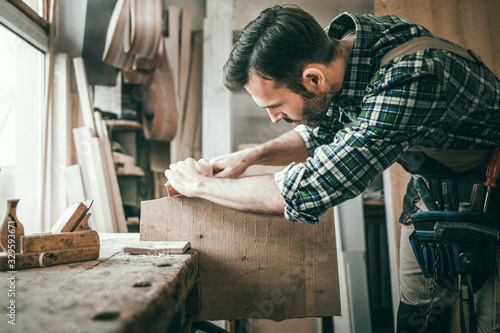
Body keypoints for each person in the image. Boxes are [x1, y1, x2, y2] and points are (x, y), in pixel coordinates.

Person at [164, 5, 500, 332]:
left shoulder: (411, 76)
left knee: (490, 319)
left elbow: (309, 189)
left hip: (491, 185)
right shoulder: (333, 53)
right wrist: (251, 156)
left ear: (313, 78)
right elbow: (319, 131)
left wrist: (198, 185)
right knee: (420, 316)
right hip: (431, 188)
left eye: (277, 105)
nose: (274, 118)